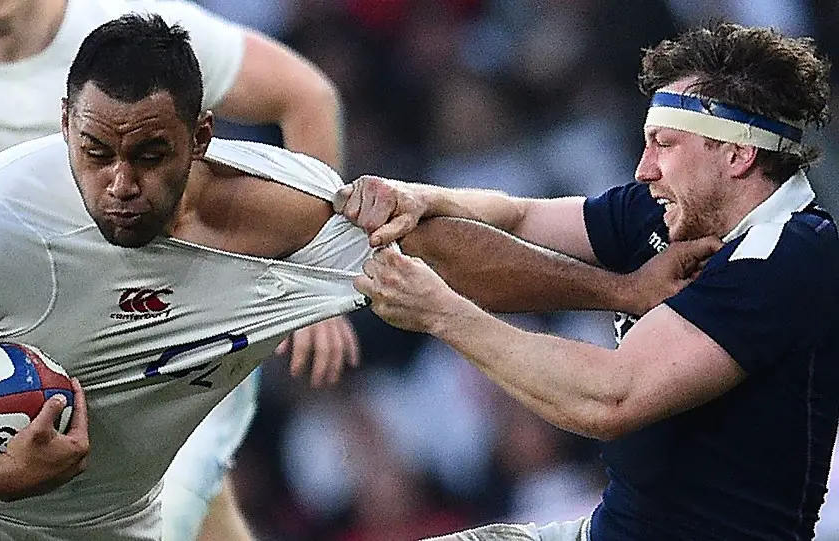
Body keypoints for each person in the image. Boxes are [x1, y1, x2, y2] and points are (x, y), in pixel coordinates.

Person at [0, 0, 356, 538]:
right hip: (51, 343)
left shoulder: (132, 37)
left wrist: (309, 273)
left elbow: (306, 96)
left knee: (168, 513)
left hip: (188, 322)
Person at [336, 22, 837, 540]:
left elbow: (609, 398)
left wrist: (441, 312)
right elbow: (518, 217)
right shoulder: (670, 213)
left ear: (738, 155)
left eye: (664, 144)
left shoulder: (788, 256)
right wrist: (421, 198)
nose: (644, 170)